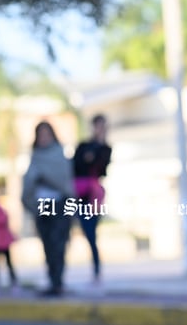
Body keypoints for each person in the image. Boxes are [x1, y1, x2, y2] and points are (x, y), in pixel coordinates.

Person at [20, 121, 74, 297]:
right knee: (48, 245)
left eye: (47, 134)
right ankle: (52, 280)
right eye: (40, 135)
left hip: (59, 205)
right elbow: (28, 183)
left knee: (59, 244)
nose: (44, 138)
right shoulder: (35, 157)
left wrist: (44, 177)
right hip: (41, 206)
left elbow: (64, 182)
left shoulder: (59, 154)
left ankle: (58, 282)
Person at [72, 113, 112, 285]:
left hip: (94, 195)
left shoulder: (106, 148)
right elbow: (76, 164)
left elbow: (103, 168)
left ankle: (96, 270)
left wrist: (94, 155)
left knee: (91, 233)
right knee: (85, 232)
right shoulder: (84, 145)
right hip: (80, 195)